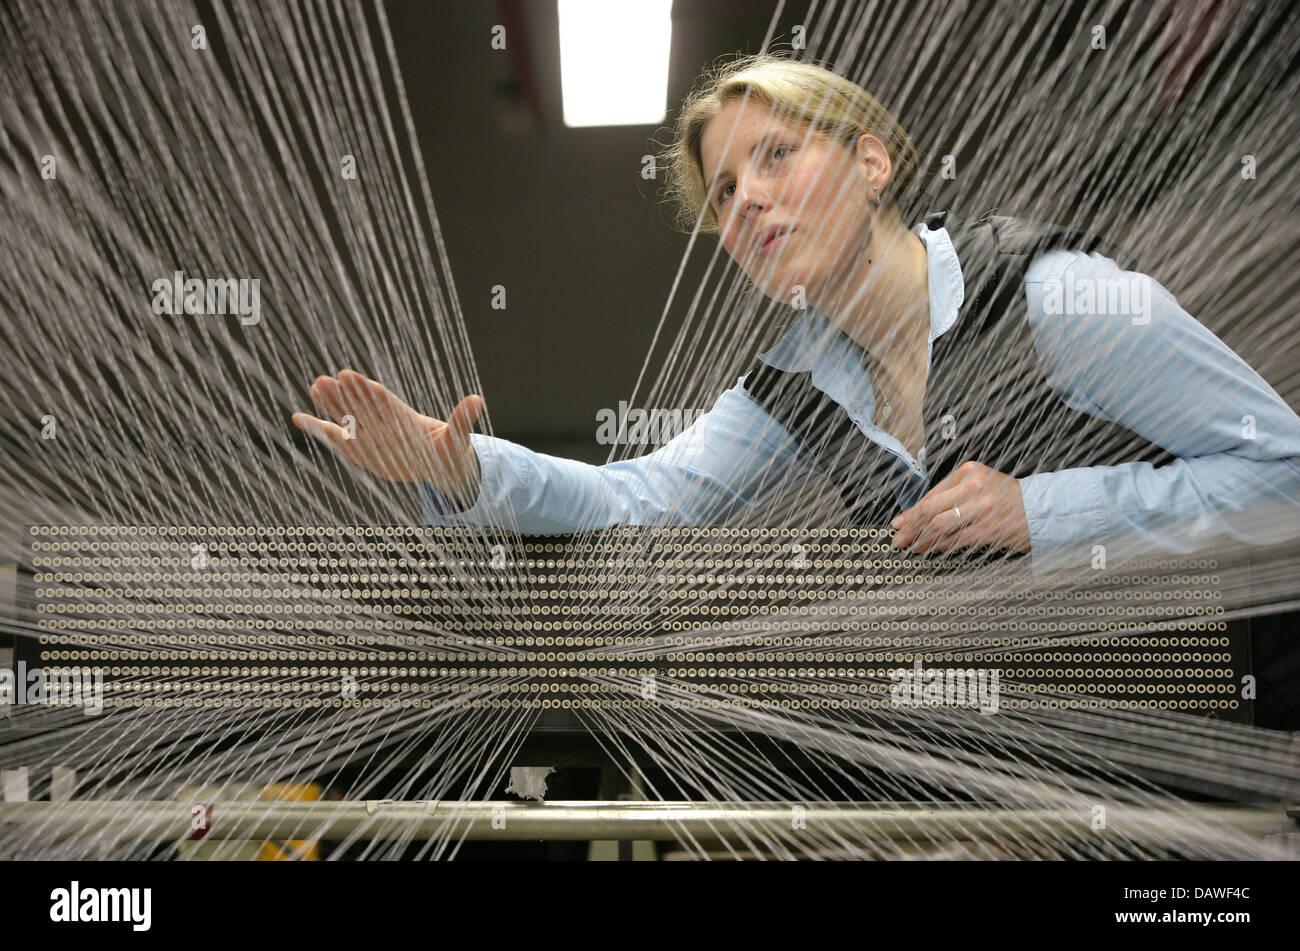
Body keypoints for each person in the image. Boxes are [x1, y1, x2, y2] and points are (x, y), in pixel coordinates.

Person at [292, 54, 1300, 722]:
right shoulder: (795, 391)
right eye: (726, 193)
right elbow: (641, 502)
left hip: (1255, 718)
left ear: (872, 163)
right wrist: (463, 470)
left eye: (777, 157)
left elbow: (1286, 477)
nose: (750, 203)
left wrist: (1040, 509)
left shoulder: (1063, 304)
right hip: (1103, 742)